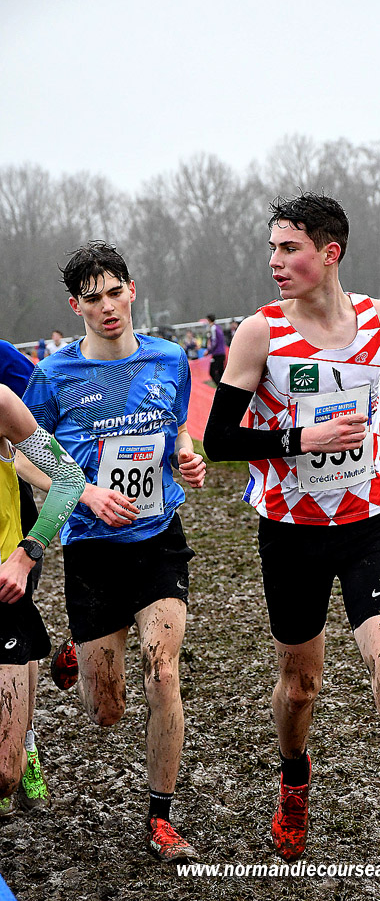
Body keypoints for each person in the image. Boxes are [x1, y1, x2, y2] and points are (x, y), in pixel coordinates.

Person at [203, 193, 380, 901]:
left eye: (288, 248)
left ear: (330, 253)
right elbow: (219, 441)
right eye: (271, 248)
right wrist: (299, 440)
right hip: (290, 532)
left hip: (366, 524)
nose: (275, 261)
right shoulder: (260, 333)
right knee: (301, 689)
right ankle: (294, 777)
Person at [23, 241, 206, 862]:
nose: (107, 307)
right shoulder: (53, 376)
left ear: (132, 290)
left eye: (114, 292)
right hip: (92, 549)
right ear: (75, 306)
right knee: (105, 710)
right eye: (92, 298)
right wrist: (85, 492)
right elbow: (24, 457)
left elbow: (179, 427)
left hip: (158, 539)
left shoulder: (170, 358)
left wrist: (187, 455)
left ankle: (161, 818)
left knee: (163, 670)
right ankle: (78, 650)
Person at [0, 385, 85, 815]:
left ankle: (26, 745)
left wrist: (27, 553)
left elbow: (69, 478)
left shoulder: (2, 401)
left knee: (4, 776)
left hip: (4, 587)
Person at [205, 314, 226, 385]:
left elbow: (214, 341)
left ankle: (219, 386)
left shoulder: (213, 328)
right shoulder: (218, 327)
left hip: (217, 353)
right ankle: (222, 386)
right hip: (222, 352)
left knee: (212, 372)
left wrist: (208, 350)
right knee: (220, 371)